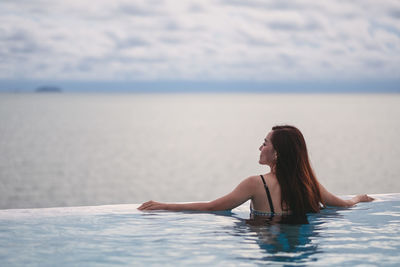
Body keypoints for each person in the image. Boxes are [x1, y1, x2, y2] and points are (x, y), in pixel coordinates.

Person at [138, 125, 374, 216]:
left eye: (265, 143)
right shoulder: (309, 183)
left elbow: (212, 207)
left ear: (277, 153)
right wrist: (359, 198)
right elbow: (343, 205)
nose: (260, 147)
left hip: (269, 246)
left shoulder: (256, 183)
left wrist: (164, 205)